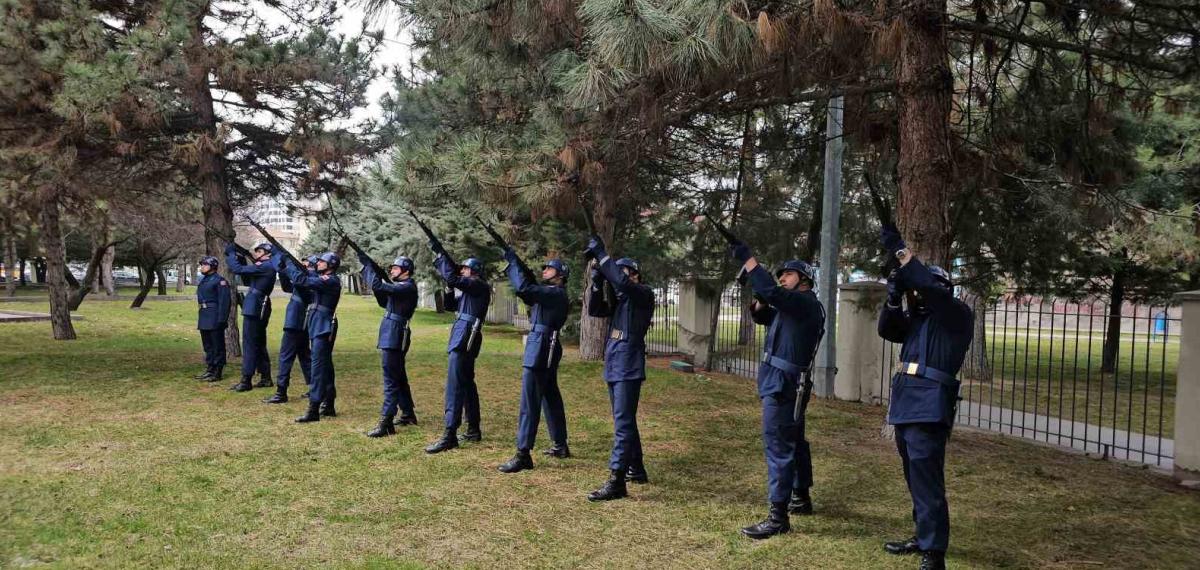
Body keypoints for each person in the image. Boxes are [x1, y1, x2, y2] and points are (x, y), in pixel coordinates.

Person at [877, 223, 974, 570]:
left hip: (931, 401)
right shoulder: (917, 320)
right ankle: (922, 535)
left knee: (927, 478)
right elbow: (888, 329)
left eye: (923, 287)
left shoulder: (956, 315)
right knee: (913, 474)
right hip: (906, 400)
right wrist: (893, 297)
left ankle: (934, 551)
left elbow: (930, 290)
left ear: (942, 288)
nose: (918, 294)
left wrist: (902, 253)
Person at [728, 240, 825, 540]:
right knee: (794, 440)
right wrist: (759, 295)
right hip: (782, 381)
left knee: (778, 445)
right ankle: (800, 496)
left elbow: (774, 294)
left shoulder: (806, 303)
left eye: (789, 274)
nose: (782, 277)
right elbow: (762, 314)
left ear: (804, 280)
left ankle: (778, 516)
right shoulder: (792, 307)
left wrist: (750, 261)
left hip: (785, 383)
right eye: (780, 274)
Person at [583, 236, 655, 501]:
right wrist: (596, 281)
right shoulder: (621, 301)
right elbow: (595, 310)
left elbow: (622, 282)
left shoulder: (642, 294)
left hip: (628, 366)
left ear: (635, 275)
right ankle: (636, 468)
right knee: (623, 419)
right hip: (615, 363)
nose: (617, 277)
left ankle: (617, 480)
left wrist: (602, 255)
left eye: (621, 271)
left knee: (623, 423)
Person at [495, 249, 570, 474]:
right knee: (549, 396)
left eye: (550, 268)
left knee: (529, 400)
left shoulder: (555, 292)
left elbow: (524, 289)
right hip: (544, 345)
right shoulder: (549, 292)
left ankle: (523, 453)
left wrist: (512, 264)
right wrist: (520, 269)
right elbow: (528, 294)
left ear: (560, 275)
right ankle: (560, 444)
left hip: (542, 346)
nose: (545, 270)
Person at [425, 254, 490, 453]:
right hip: (463, 334)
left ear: (475, 271)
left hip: (465, 336)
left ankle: (450, 434)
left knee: (455, 385)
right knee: (467, 383)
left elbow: (454, 278)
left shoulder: (478, 284)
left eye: (465, 268)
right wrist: (449, 287)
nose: (462, 271)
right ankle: (473, 429)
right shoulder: (470, 290)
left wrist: (443, 262)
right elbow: (450, 305)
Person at [277, 251, 343, 423]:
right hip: (317, 323)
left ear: (330, 265)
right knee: (324, 365)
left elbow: (303, 281)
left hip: (324, 325)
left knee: (318, 367)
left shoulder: (331, 280)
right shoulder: (321, 279)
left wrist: (290, 263)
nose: (318, 264)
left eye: (322, 262)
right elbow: (301, 283)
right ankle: (329, 404)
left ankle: (314, 408)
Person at [359, 253, 420, 437]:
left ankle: (386, 422)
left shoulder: (407, 286)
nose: (392, 270)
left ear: (406, 271)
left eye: (396, 268)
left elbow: (378, 285)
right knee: (398, 375)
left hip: (395, 334)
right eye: (392, 268)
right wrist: (371, 270)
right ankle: (408, 413)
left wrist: (369, 267)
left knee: (390, 379)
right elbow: (384, 301)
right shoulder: (400, 287)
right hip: (391, 332)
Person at [264, 255, 317, 404]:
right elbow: (287, 287)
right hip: (300, 322)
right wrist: (282, 270)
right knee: (305, 356)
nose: (303, 264)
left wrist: (288, 264)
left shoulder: (310, 278)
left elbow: (298, 281)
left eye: (305, 263)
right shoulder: (307, 278)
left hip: (296, 323)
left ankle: (281, 391)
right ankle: (315, 388)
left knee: (285, 356)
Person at [224, 242, 277, 392]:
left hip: (256, 306)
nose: (257, 253)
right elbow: (247, 279)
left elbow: (237, 270)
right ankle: (265, 377)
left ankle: (246, 380)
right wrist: (241, 258)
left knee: (250, 344)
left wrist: (231, 255)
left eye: (260, 251)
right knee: (258, 343)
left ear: (268, 254)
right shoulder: (264, 266)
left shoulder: (265, 266)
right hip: (257, 305)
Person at [193, 256, 232, 382]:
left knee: (217, 345)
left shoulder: (220, 281)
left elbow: (224, 302)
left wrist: (222, 319)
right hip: (204, 315)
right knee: (208, 345)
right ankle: (210, 369)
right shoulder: (204, 280)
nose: (202, 267)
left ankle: (217, 371)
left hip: (215, 316)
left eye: (205, 265)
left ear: (212, 266)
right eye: (202, 265)